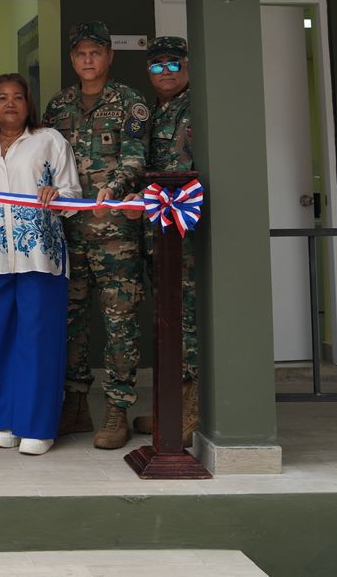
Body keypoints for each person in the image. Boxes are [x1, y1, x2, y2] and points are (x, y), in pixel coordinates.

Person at [42, 21, 150, 449]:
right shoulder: (58, 106)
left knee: (119, 322)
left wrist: (117, 187)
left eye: (96, 52)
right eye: (81, 53)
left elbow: (136, 158)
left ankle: (118, 409)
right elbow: (45, 159)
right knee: (71, 322)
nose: (88, 60)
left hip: (115, 234)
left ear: (109, 56)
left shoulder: (129, 102)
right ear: (73, 59)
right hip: (69, 233)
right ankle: (76, 404)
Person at [0, 74, 81, 456]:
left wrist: (56, 194)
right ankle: (6, 421)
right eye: (2, 98)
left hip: (40, 256)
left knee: (37, 340)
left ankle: (38, 426)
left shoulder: (49, 140)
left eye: (17, 97)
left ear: (28, 103)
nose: (10, 104)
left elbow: (72, 194)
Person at [132, 35, 200, 446]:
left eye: (173, 64)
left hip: (184, 233)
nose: (165, 72)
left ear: (187, 67)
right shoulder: (152, 112)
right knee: (166, 318)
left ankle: (188, 410)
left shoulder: (196, 108)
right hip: (156, 231)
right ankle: (169, 408)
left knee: (185, 321)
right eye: (156, 66)